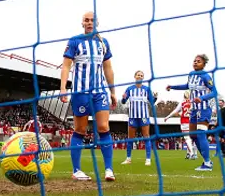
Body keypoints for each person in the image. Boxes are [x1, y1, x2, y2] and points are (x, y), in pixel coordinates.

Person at [60, 11, 117, 182]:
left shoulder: (103, 43)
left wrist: (112, 91)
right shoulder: (74, 41)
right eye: (86, 20)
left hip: (99, 92)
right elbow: (66, 66)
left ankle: (109, 169)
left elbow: (108, 68)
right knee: (80, 130)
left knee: (104, 127)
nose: (89, 22)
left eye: (92, 20)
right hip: (80, 92)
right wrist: (63, 87)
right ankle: (76, 170)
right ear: (82, 23)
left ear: (97, 23)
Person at [166, 54, 217, 171]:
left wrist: (202, 98)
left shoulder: (206, 76)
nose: (195, 62)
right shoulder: (191, 74)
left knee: (200, 134)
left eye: (198, 61)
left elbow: (214, 92)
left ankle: (208, 163)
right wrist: (172, 86)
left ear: (204, 64)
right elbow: (187, 86)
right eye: (194, 61)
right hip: (193, 109)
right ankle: (206, 161)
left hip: (204, 108)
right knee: (193, 136)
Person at [121, 70, 158, 166]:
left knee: (146, 137)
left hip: (144, 116)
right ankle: (128, 159)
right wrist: (124, 98)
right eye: (138, 75)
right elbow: (123, 102)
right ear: (135, 76)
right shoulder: (129, 89)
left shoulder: (146, 89)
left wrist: (155, 97)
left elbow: (152, 102)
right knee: (130, 138)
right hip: (133, 116)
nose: (140, 76)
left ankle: (148, 159)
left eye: (142, 75)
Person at [164, 91, 198, 160]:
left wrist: (167, 117)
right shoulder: (193, 102)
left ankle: (192, 154)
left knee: (187, 138)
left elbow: (175, 111)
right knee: (193, 138)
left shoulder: (182, 102)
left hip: (184, 121)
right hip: (192, 122)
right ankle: (190, 153)